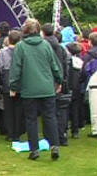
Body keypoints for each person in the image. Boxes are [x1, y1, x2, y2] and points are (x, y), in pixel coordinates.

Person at [10, 18, 63, 161]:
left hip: (29, 89)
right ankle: (55, 146)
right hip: (47, 87)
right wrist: (59, 80)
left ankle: (34, 149)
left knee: (31, 119)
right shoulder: (45, 45)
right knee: (50, 117)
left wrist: (13, 86)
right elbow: (54, 65)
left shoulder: (20, 47)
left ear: (25, 31)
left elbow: (16, 69)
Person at [0, 30, 23, 142]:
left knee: (8, 110)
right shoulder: (22, 51)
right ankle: (17, 133)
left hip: (7, 82)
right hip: (20, 82)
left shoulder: (3, 53)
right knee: (18, 109)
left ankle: (10, 133)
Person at [66, 42, 83, 138]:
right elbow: (83, 75)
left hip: (68, 86)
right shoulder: (80, 62)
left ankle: (65, 129)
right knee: (75, 109)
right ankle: (75, 130)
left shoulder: (68, 61)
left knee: (65, 109)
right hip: (77, 87)